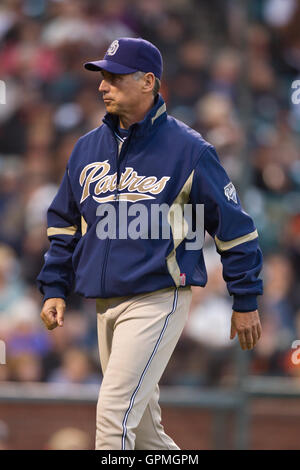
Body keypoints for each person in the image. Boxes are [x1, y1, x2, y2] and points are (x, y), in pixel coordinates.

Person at [37, 37, 263, 450]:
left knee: (113, 421)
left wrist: (245, 300)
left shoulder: (189, 150)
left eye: (115, 77)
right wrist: (54, 287)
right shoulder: (87, 148)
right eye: (102, 77)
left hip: (158, 295)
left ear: (148, 82)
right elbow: (63, 224)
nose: (103, 85)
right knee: (144, 436)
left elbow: (236, 229)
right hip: (104, 302)